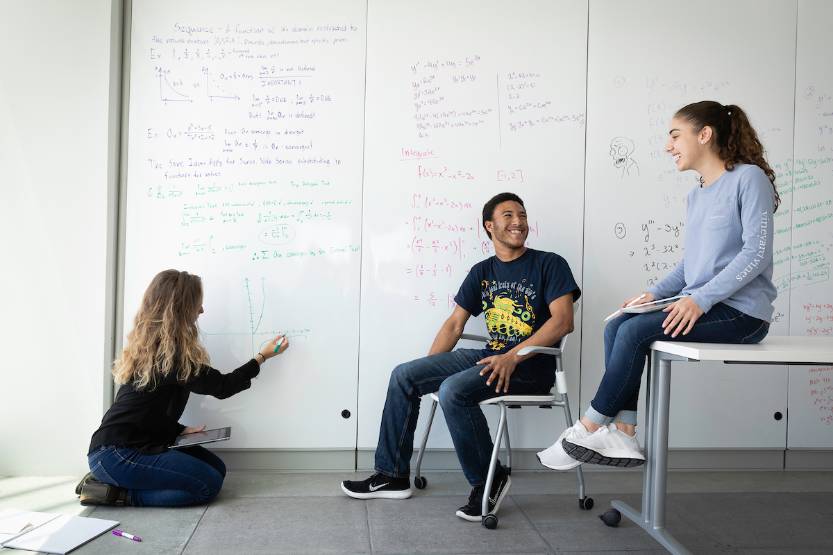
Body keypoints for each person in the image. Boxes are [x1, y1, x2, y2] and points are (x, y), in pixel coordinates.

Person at [539, 100, 778, 470]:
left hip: (742, 314)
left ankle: (587, 427)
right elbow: (692, 263)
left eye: (675, 135)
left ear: (704, 134)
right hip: (704, 303)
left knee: (634, 333)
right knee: (619, 323)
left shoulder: (749, 179)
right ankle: (625, 432)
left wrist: (699, 300)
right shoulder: (698, 193)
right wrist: (654, 294)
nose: (669, 146)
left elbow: (756, 254)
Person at [341, 192, 580, 522]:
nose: (519, 222)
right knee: (404, 375)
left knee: (455, 390)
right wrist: (427, 370)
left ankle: (489, 479)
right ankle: (392, 475)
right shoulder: (482, 271)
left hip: (531, 366)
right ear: (490, 225)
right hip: (489, 356)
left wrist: (513, 356)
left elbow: (563, 321)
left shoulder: (549, 263)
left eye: (522, 215)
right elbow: (455, 323)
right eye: (509, 215)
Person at [76, 269, 288, 507]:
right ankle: (114, 494)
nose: (202, 310)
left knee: (216, 468)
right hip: (116, 454)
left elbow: (145, 411)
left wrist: (179, 430)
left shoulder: (154, 351)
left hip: (130, 445)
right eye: (198, 303)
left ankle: (118, 482)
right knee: (207, 486)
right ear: (182, 307)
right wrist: (263, 356)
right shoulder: (171, 358)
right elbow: (224, 387)